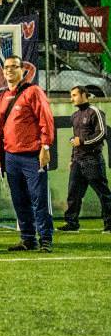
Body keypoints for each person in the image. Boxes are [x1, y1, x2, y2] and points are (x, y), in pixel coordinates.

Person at [0, 55, 56, 252]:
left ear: (22, 70)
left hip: (32, 155)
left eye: (14, 66)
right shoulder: (1, 98)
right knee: (19, 200)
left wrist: (45, 147)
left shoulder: (33, 91)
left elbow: (46, 119)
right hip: (10, 157)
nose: (9, 70)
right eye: (6, 67)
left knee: (39, 198)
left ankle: (45, 239)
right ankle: (28, 239)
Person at [59, 86, 110, 233]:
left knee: (103, 193)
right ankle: (72, 223)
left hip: (92, 159)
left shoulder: (95, 111)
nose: (72, 99)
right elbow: (75, 140)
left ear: (84, 95)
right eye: (71, 95)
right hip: (77, 160)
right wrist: (72, 158)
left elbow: (102, 134)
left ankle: (109, 224)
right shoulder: (74, 116)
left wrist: (82, 141)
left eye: (74, 95)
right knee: (73, 194)